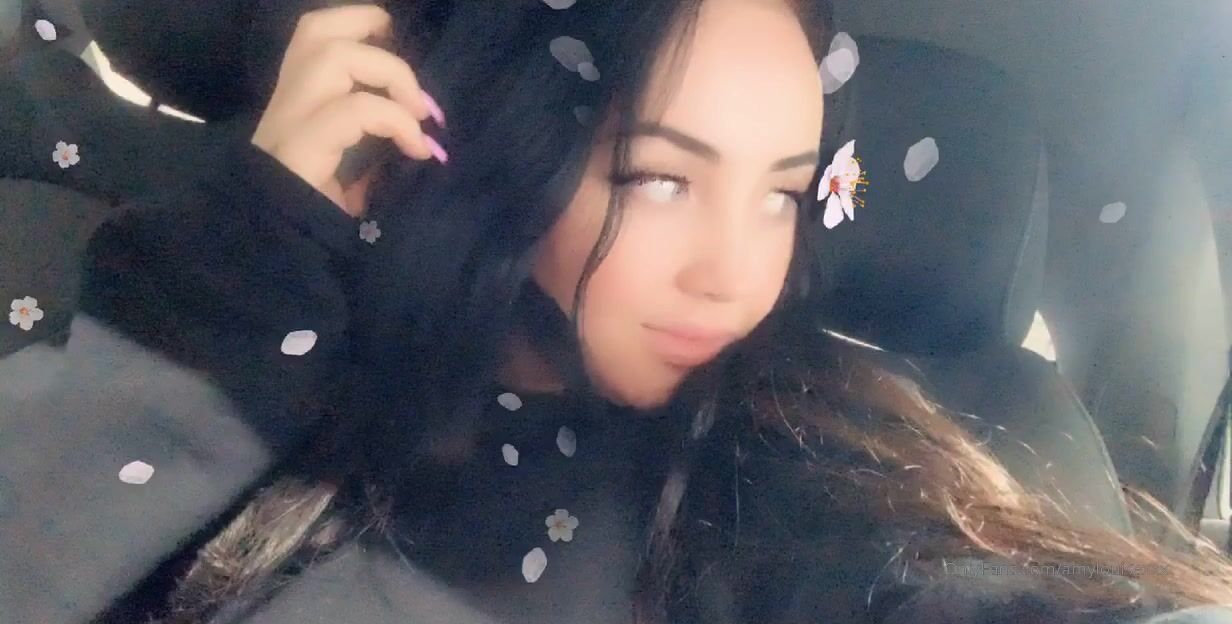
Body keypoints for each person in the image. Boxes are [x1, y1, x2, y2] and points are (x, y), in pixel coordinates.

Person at [1, 1, 1232, 623]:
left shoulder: (806, 446)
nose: (732, 275)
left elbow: (923, 576)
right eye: (657, 179)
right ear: (503, 152)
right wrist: (248, 261)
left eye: (781, 195)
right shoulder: (238, 334)